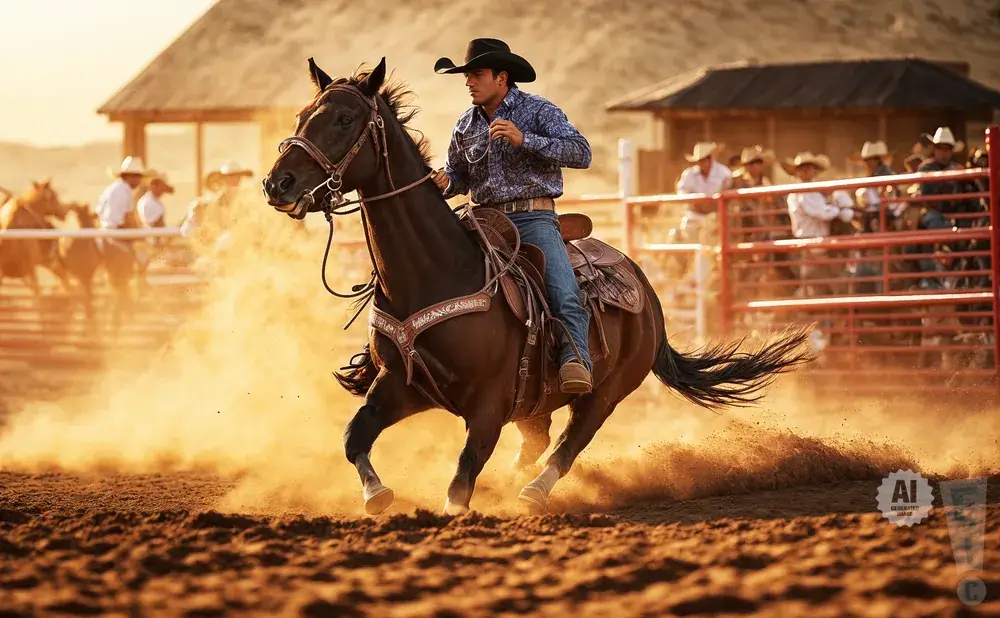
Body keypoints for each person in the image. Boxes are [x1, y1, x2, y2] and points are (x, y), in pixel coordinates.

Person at [431, 38, 594, 394]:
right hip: (482, 221)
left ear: (501, 78)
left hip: (533, 219)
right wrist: (444, 182)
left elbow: (582, 153)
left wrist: (526, 140)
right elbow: (459, 176)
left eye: (477, 74)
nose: (468, 82)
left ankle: (575, 358)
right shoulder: (464, 125)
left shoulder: (539, 111)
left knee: (562, 289)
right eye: (467, 75)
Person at [783, 152, 854, 297]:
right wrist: (838, 209)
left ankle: (819, 311)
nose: (807, 172)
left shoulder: (801, 193)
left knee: (817, 281)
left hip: (811, 242)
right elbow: (822, 213)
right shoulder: (806, 192)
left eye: (809, 168)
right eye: (803, 168)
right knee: (829, 279)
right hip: (815, 243)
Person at [675, 141, 731, 244]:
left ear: (710, 159)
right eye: (699, 161)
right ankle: (694, 254)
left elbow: (727, 191)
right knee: (688, 230)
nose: (701, 164)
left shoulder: (723, 173)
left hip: (716, 214)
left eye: (704, 160)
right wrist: (693, 199)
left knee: (714, 236)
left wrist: (715, 201)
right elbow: (681, 191)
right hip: (695, 214)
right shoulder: (689, 174)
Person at [95, 156, 145, 230]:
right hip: (116, 232)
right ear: (129, 176)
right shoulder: (125, 190)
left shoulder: (112, 188)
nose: (139, 180)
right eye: (138, 176)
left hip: (104, 231)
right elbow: (128, 217)